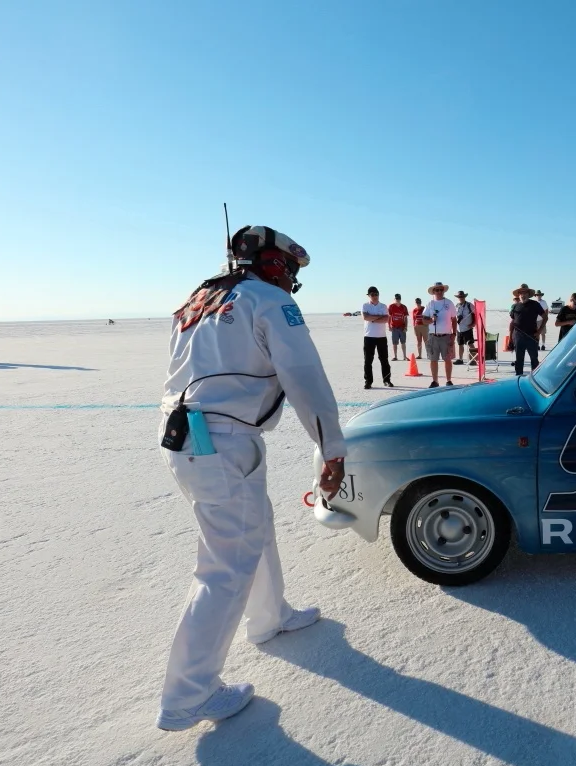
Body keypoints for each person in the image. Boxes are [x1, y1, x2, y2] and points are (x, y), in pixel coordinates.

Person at [156, 225, 346, 731]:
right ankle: (187, 694)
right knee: (225, 566)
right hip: (219, 439)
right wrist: (331, 449)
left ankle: (269, 616)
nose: (292, 282)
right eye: (292, 271)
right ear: (276, 264)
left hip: (190, 434)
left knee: (254, 526)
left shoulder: (201, 297)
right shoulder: (269, 300)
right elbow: (304, 375)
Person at [422, 281, 457, 387]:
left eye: (441, 289)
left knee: (447, 359)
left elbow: (454, 319)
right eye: (437, 290)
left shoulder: (449, 303)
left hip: (446, 336)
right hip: (433, 336)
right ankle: (435, 381)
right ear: (433, 291)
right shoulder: (430, 304)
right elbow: (424, 320)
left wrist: (454, 334)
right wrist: (431, 320)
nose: (439, 291)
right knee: (433, 359)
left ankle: (448, 380)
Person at [509, 284, 547, 375]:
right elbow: (512, 322)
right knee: (519, 360)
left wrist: (539, 331)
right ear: (518, 295)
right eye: (521, 293)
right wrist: (510, 337)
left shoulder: (535, 304)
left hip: (532, 336)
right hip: (518, 337)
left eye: (525, 292)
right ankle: (518, 378)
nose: (523, 295)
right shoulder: (515, 306)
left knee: (534, 359)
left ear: (528, 294)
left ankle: (535, 378)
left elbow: (545, 317)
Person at [361, 287, 393, 390]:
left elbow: (385, 319)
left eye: (376, 294)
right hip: (369, 336)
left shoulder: (383, 306)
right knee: (368, 360)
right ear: (369, 295)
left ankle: (387, 380)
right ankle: (368, 381)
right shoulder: (365, 305)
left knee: (384, 360)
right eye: (372, 294)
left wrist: (373, 318)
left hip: (381, 337)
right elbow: (365, 317)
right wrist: (378, 317)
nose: (375, 296)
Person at [453, 290, 476, 365]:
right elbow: (454, 316)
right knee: (460, 344)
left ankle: (473, 359)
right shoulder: (457, 306)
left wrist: (473, 324)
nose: (461, 298)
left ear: (464, 297)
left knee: (470, 344)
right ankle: (460, 359)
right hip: (459, 329)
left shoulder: (469, 305)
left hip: (467, 328)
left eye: (462, 296)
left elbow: (476, 315)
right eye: (459, 297)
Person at [387, 293, 409, 360]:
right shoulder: (391, 306)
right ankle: (395, 356)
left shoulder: (404, 307)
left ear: (400, 299)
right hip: (394, 327)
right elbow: (389, 317)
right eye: (396, 299)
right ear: (394, 299)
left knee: (403, 342)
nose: (398, 300)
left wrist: (405, 327)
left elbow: (405, 318)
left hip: (402, 327)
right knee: (394, 343)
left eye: (399, 298)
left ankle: (404, 356)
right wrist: (389, 326)